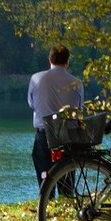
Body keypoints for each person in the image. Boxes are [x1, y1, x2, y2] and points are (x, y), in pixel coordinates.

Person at [28, 44, 84, 188]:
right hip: (68, 135)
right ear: (67, 61)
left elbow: (32, 104)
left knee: (44, 179)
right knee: (66, 179)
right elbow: (79, 109)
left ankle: (46, 201)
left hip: (44, 133)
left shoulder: (36, 79)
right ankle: (66, 199)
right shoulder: (76, 83)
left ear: (49, 59)